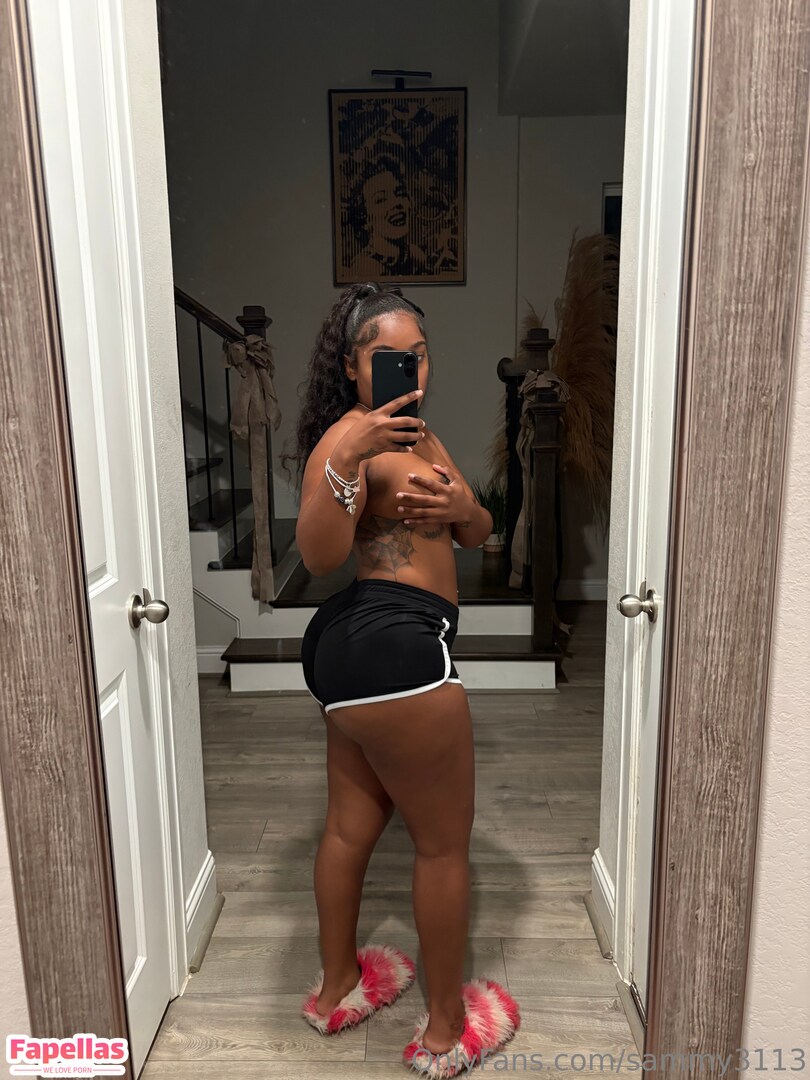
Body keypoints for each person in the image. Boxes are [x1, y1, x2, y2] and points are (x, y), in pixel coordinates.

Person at [281, 282, 521, 1078]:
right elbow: (320, 556)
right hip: (395, 648)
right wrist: (347, 457)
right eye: (389, 357)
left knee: (350, 829)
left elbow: (478, 531)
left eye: (419, 354)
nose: (410, 369)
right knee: (443, 848)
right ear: (353, 367)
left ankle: (337, 989)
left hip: (354, 655)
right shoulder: (344, 440)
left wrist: (459, 505)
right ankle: (449, 1031)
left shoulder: (421, 436)